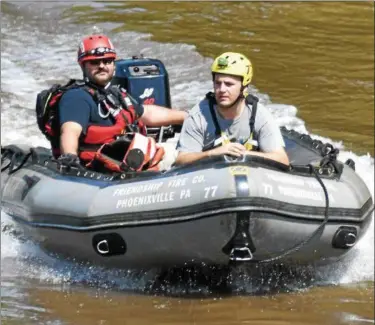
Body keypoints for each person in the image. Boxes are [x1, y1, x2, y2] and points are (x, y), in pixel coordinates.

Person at [41, 34, 187, 172]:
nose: (102, 66)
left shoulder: (116, 95)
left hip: (128, 159)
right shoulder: (77, 97)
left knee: (176, 149)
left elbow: (147, 113)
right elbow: (70, 131)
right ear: (83, 66)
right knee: (180, 157)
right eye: (95, 62)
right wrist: (70, 158)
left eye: (107, 61)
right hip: (100, 168)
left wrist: (187, 116)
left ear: (114, 64)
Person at [175, 52, 289, 166]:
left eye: (229, 84)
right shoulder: (198, 115)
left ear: (244, 87)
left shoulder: (259, 114)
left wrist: (244, 154)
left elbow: (282, 159)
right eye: (218, 83)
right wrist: (213, 153)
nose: (222, 89)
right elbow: (181, 160)